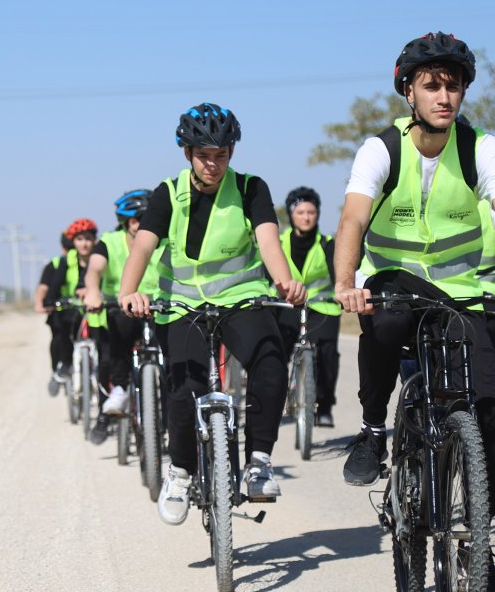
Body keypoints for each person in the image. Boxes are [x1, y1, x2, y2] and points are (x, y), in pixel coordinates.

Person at [331, 32, 495, 592]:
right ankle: (373, 428)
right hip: (395, 286)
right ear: (409, 90)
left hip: (463, 293)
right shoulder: (380, 149)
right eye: (431, 84)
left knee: (491, 417)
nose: (444, 95)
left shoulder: (483, 148)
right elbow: (353, 221)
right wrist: (344, 283)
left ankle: (475, 539)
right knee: (381, 324)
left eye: (453, 85)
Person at [117, 103, 305, 526]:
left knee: (270, 360)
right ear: (187, 153)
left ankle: (258, 460)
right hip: (181, 304)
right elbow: (143, 246)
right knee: (185, 391)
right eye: (204, 154)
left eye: (221, 154)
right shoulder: (168, 193)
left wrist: (284, 281)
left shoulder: (251, 188)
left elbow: (269, 241)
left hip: (239, 298)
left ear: (232, 152)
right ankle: (181, 471)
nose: (213, 164)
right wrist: (128, 291)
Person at [83, 189, 165, 444]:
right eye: (139, 219)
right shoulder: (109, 242)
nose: (145, 225)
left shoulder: (163, 241)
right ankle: (119, 389)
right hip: (121, 306)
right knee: (118, 335)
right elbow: (94, 270)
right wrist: (94, 292)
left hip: (158, 304)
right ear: (129, 222)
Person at [275, 186, 342, 427]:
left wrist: (342, 292)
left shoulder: (327, 244)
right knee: (275, 351)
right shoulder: (278, 242)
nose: (306, 217)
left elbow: (338, 275)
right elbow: (266, 272)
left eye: (311, 212)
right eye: (301, 212)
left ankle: (324, 406)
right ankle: (276, 397)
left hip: (322, 307)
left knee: (327, 352)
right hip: (286, 306)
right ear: (291, 214)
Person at [36, 219, 99, 396]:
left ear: (94, 240)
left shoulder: (99, 258)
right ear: (73, 242)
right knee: (62, 330)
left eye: (88, 239)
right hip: (71, 307)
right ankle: (62, 366)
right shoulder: (66, 261)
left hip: (95, 308)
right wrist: (49, 301)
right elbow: (54, 284)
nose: (84, 243)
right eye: (79, 239)